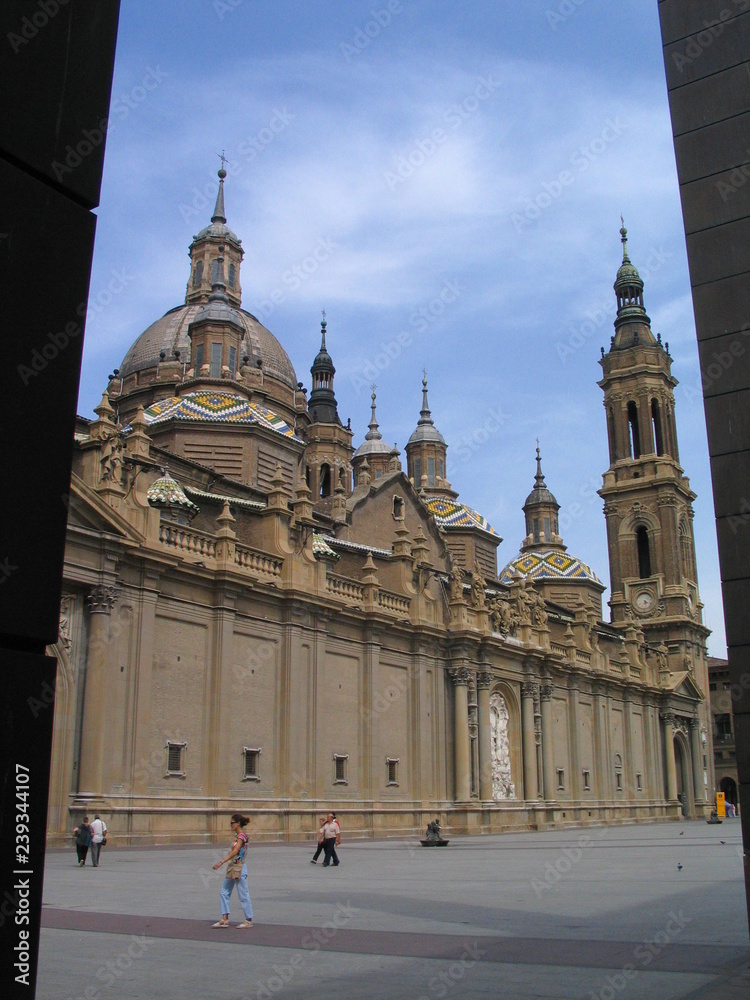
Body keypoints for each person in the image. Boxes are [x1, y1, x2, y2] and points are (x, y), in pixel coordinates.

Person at [211, 813, 253, 928]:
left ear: (238, 823)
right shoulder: (237, 836)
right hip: (232, 866)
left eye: (232, 823)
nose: (231, 825)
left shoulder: (242, 836)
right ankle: (224, 918)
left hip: (239, 867)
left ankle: (248, 919)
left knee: (243, 893)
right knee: (224, 892)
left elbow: (235, 851)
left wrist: (221, 862)